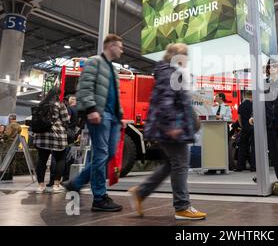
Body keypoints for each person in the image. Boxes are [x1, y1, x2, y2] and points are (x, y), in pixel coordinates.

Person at [128, 43, 206, 220]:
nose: (187, 60)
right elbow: (166, 101)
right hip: (170, 128)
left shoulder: (168, 72)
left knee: (170, 165)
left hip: (166, 127)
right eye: (185, 56)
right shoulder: (170, 73)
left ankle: (140, 192)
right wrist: (172, 125)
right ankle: (182, 207)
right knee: (180, 165)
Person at [64, 34, 126, 212]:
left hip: (113, 117)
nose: (121, 50)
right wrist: (91, 109)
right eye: (120, 47)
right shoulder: (94, 62)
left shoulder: (113, 69)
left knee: (110, 153)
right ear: (111, 45)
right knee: (101, 154)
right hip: (99, 114)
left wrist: (120, 116)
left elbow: (115, 95)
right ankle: (99, 197)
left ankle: (76, 183)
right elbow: (85, 87)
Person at [33, 87, 70, 194]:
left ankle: (40, 186)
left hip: (41, 136)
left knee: (42, 160)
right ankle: (56, 185)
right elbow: (66, 119)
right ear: (58, 94)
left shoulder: (41, 104)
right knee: (60, 159)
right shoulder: (59, 104)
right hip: (56, 136)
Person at [236, 91, 255, 172]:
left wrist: (242, 126)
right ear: (251, 96)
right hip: (253, 128)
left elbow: (239, 118)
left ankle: (240, 166)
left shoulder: (241, 105)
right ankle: (253, 167)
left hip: (245, 129)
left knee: (242, 147)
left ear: (246, 96)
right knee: (253, 147)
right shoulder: (254, 105)